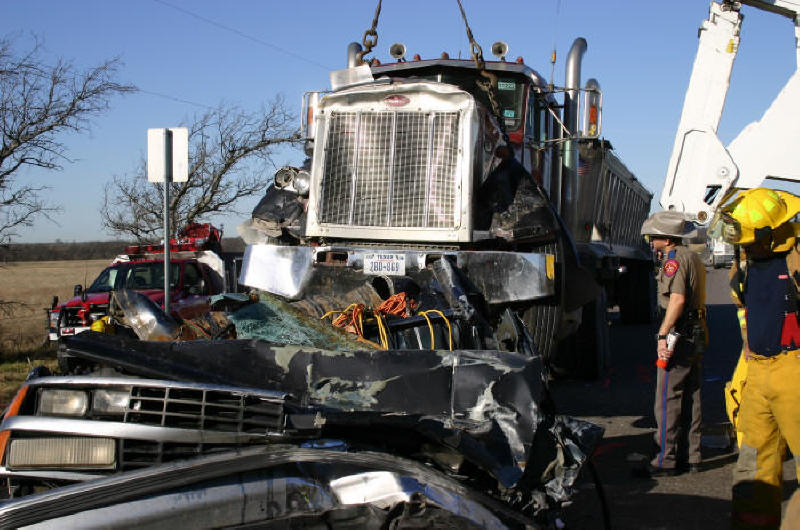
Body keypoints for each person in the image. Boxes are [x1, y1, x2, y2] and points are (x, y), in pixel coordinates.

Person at [713, 188, 800, 529]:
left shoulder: (794, 261)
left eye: (749, 239)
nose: (744, 246)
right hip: (758, 375)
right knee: (752, 466)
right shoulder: (745, 268)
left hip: (793, 371)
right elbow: (743, 311)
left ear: (771, 234)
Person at [638, 210, 707, 477]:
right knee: (693, 394)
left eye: (653, 236)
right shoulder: (694, 258)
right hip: (698, 331)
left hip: (680, 333)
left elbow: (676, 300)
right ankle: (692, 455)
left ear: (667, 239)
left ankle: (665, 460)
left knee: (667, 398)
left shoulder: (674, 261)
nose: (650, 240)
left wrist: (662, 334)